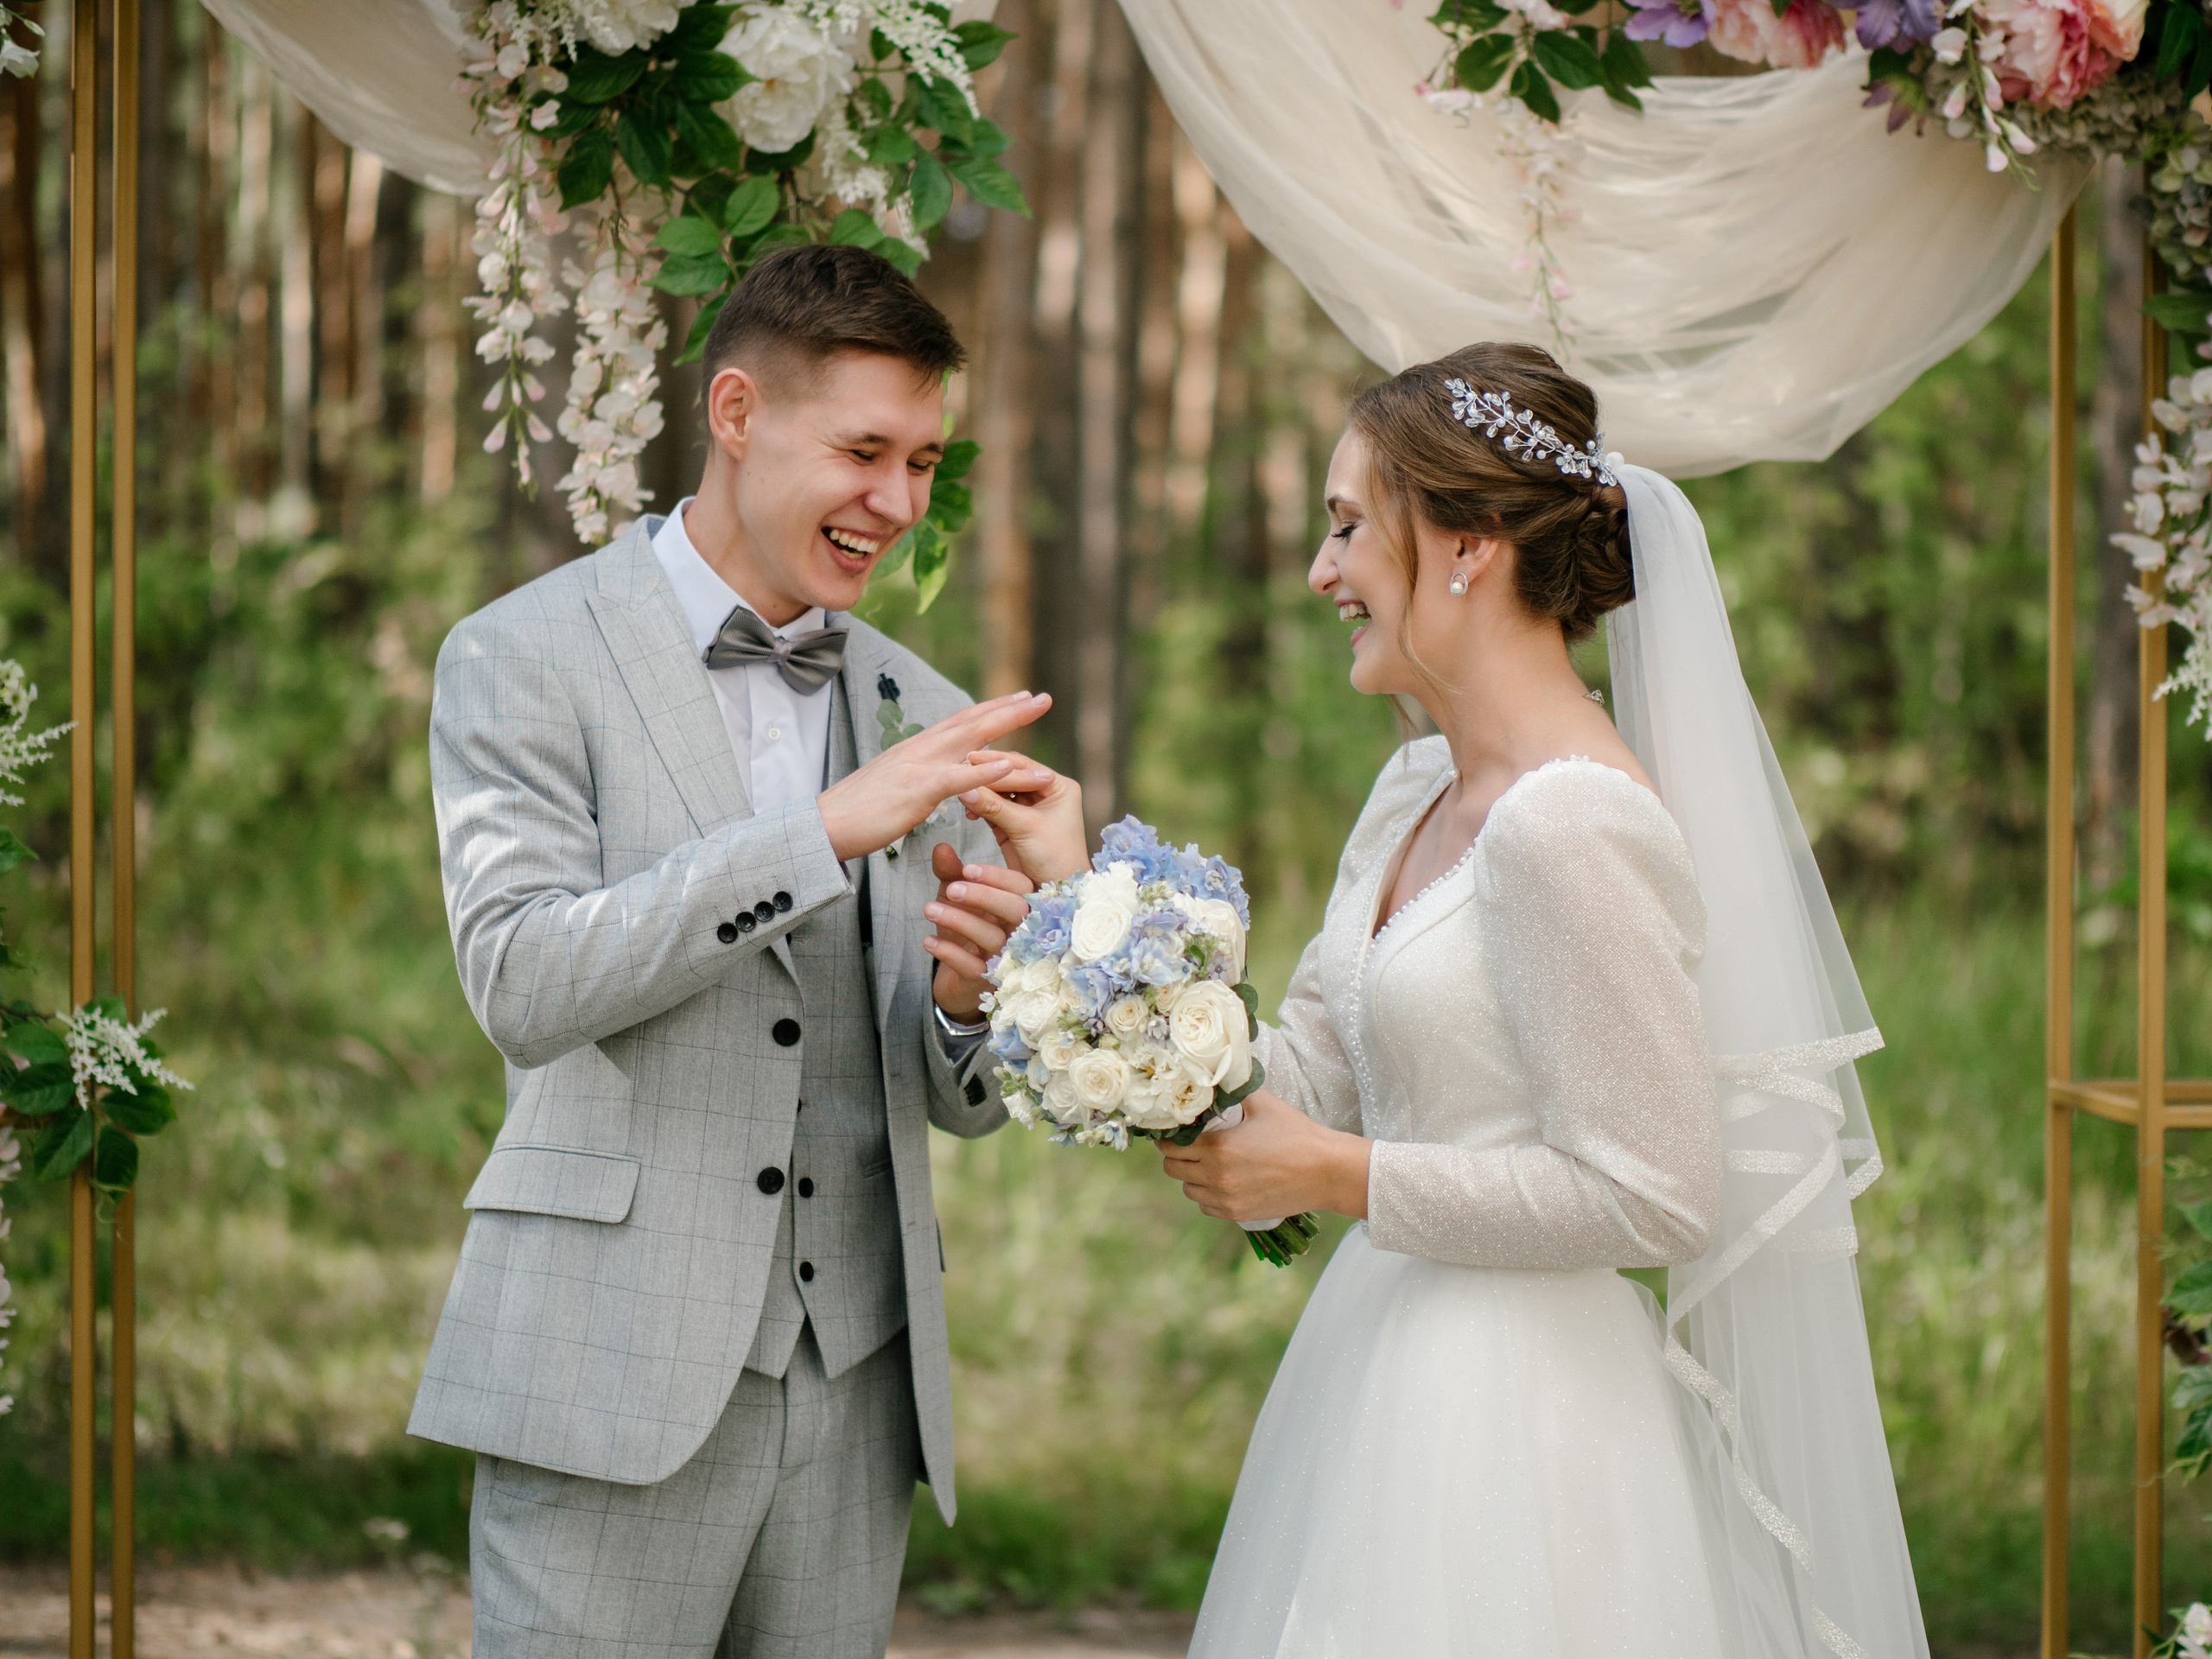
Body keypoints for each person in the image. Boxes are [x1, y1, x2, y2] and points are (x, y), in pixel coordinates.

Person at [970, 342, 1930, 1659]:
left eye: (1351, 526)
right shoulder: (1411, 790)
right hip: (1379, 1370)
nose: (1322, 572)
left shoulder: (1570, 827)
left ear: (1469, 545)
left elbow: (1653, 1193)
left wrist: (1341, 1176)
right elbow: (1302, 1076)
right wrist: (1078, 905)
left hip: (1519, 1428)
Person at [410, 243, 1060, 1659]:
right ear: (738, 412)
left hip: (856, 1387)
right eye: (866, 451)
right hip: (605, 1370)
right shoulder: (522, 655)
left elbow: (961, 1099)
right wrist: (817, 835)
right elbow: (522, 983)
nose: (897, 503)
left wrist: (967, 1002)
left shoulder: (920, 707)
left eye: (929, 463)